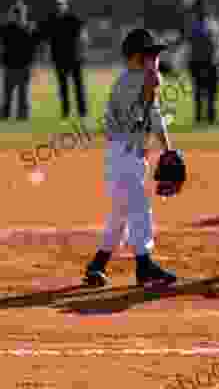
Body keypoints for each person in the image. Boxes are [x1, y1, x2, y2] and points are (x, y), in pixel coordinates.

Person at [82, 28, 177, 288]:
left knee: (120, 214)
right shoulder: (128, 81)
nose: (155, 59)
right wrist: (152, 77)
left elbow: (154, 116)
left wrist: (168, 149)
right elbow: (143, 105)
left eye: (156, 54)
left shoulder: (144, 81)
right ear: (134, 57)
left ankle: (97, 264)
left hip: (131, 157)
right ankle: (144, 266)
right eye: (149, 54)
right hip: (122, 155)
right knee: (139, 209)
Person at [38, 0, 89, 120]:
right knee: (63, 88)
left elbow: (83, 37)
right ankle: (65, 112)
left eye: (61, 4)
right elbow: (45, 38)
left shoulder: (74, 19)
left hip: (74, 58)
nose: (59, 6)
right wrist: (45, 53)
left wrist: (82, 52)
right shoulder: (52, 20)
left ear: (66, 5)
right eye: (57, 4)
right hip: (59, 58)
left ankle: (82, 112)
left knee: (78, 86)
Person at [184, 0, 219, 125]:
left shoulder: (196, 22)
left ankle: (202, 117)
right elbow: (213, 41)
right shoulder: (204, 23)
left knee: (203, 90)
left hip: (200, 60)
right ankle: (206, 117)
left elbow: (214, 40)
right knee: (208, 90)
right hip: (205, 61)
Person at [0, 0, 39, 121]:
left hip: (20, 66)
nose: (19, 15)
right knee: (12, 94)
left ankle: (17, 115)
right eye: (18, 13)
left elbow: (33, 49)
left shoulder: (26, 28)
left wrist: (32, 65)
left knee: (18, 94)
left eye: (20, 13)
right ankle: (12, 114)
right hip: (14, 65)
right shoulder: (9, 28)